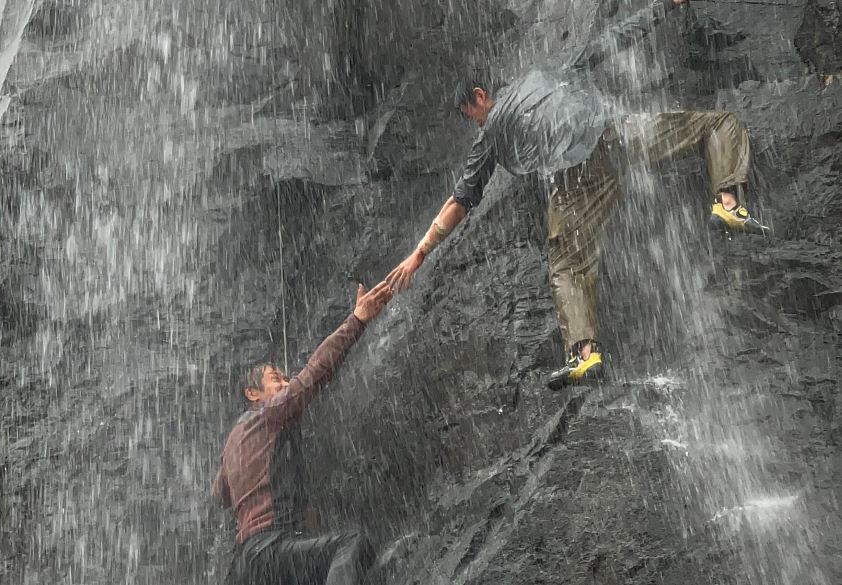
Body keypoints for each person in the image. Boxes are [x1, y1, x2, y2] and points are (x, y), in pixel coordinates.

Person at [386, 0, 770, 390]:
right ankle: (728, 204)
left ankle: (585, 356)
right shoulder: (546, 70)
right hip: (614, 136)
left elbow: (461, 200)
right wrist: (663, 8)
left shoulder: (492, 133)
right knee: (717, 123)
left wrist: (419, 253)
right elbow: (611, 40)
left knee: (569, 264)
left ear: (481, 96)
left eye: (473, 115)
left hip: (572, 178)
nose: (477, 124)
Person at [212, 280, 393, 585]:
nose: (285, 383)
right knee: (353, 544)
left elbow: (219, 495)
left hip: (243, 568)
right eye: (276, 379)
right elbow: (312, 375)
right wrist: (357, 320)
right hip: (271, 550)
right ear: (253, 393)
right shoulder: (270, 413)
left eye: (285, 379)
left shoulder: (233, 441)